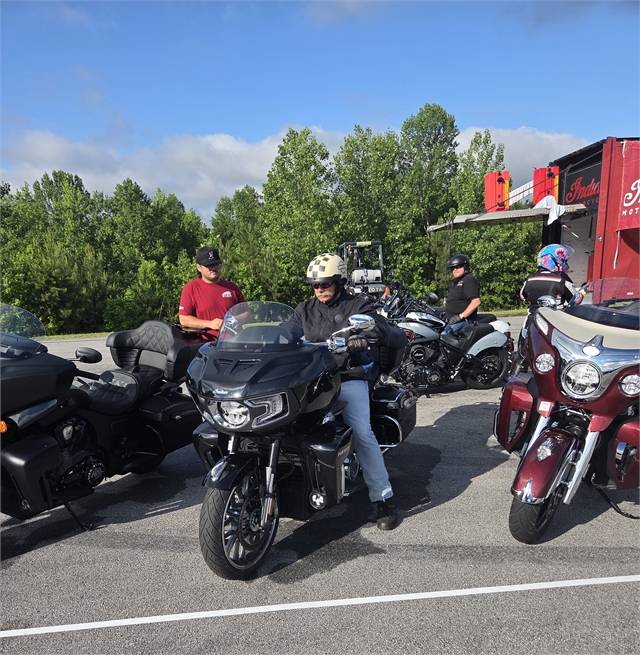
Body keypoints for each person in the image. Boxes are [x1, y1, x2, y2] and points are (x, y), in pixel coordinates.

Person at [282, 253, 397, 530]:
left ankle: (382, 497)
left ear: (340, 281)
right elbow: (285, 332)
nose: (319, 289)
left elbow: (376, 326)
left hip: (347, 376)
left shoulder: (356, 305)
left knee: (362, 431)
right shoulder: (304, 310)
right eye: (315, 285)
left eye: (325, 283)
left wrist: (362, 338)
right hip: (311, 379)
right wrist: (270, 339)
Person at [178, 246, 246, 341]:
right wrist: (210, 324)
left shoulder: (232, 287)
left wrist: (230, 321)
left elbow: (247, 314)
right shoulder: (191, 288)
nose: (213, 268)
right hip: (208, 344)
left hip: (236, 341)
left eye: (216, 264)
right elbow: (184, 319)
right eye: (209, 265)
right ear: (199, 267)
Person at [444, 254, 481, 324]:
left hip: (462, 321)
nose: (454, 270)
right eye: (452, 268)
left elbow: (476, 302)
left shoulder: (468, 279)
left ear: (465, 266)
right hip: (450, 319)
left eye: (457, 267)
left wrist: (460, 316)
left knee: (445, 332)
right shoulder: (456, 281)